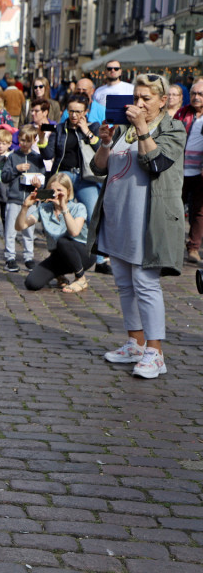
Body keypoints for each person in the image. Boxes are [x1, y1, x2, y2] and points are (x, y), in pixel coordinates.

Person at [91, 73, 185, 380]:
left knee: (145, 283)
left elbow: (156, 164)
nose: (139, 104)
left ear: (162, 100)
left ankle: (155, 353)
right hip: (118, 216)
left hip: (148, 217)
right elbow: (99, 167)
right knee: (124, 283)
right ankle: (135, 341)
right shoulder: (123, 129)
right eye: (136, 98)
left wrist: (143, 128)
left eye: (146, 98)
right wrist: (105, 143)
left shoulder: (172, 128)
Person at [39, 93, 107, 274]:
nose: (74, 115)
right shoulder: (60, 128)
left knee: (94, 213)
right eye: (71, 111)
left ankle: (99, 259)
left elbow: (101, 148)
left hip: (86, 178)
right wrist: (41, 139)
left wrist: (86, 132)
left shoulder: (94, 126)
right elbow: (47, 155)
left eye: (78, 112)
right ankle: (58, 255)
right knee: (52, 210)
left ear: (86, 111)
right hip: (62, 176)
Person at [16, 173, 92, 293]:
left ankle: (81, 278)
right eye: (52, 190)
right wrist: (25, 207)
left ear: (68, 191)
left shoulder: (78, 207)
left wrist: (63, 208)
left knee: (63, 242)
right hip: (59, 256)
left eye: (59, 190)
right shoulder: (44, 208)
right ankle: (59, 274)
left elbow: (74, 232)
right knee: (31, 283)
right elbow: (20, 226)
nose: (55, 193)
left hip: (84, 254)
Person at [0, 125, 46, 272]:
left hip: (31, 200)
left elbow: (43, 177)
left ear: (33, 141)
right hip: (14, 199)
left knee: (29, 231)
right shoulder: (12, 156)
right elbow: (4, 177)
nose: (24, 143)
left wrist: (39, 184)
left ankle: (28, 257)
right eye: (21, 140)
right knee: (10, 231)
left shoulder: (37, 158)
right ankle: (10, 257)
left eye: (27, 140)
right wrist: (16, 169)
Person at [175, 78, 203, 263]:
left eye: (200, 94)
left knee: (199, 212)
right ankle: (173, 246)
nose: (196, 97)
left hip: (200, 173)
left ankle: (193, 248)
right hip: (179, 170)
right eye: (193, 93)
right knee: (175, 209)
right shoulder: (182, 113)